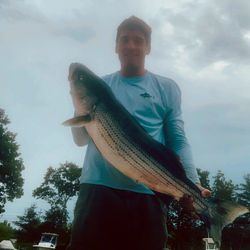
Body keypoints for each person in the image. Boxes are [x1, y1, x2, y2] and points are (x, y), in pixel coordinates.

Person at [67, 16, 211, 250]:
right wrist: (78, 102)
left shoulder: (166, 88)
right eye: (124, 40)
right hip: (97, 189)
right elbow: (80, 140)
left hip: (149, 191)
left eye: (138, 40)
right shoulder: (101, 87)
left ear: (148, 47)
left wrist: (193, 183)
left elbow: (177, 139)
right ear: (116, 46)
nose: (131, 45)